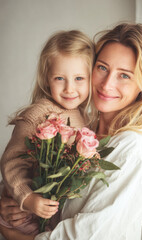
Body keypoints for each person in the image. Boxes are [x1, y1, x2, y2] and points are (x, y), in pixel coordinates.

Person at [0, 22, 142, 240]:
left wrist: (11, 234)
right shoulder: (78, 131)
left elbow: (89, 235)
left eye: (124, 75)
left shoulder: (133, 150)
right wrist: (9, 205)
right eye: (102, 68)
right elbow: (23, 168)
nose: (107, 83)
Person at [0, 30, 94, 236]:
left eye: (79, 78)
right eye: (60, 78)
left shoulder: (86, 118)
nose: (69, 88)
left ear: (91, 79)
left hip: (50, 213)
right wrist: (28, 199)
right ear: (46, 79)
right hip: (25, 212)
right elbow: (13, 161)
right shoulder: (38, 114)